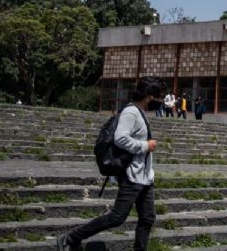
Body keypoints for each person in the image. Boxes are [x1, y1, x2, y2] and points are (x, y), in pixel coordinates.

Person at [57, 76, 164, 251]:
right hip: (132, 175)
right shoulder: (131, 112)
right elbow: (120, 138)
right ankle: (71, 238)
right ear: (149, 96)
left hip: (144, 177)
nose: (160, 101)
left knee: (147, 218)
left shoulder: (140, 112)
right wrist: (146, 145)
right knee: (117, 217)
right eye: (158, 97)